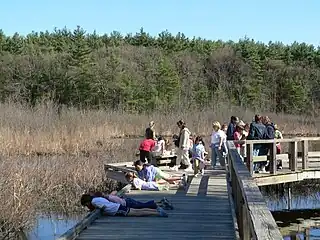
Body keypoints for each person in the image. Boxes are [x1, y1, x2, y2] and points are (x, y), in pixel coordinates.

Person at [80, 194, 169, 217]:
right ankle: (156, 211)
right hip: (117, 206)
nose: (87, 205)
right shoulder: (97, 198)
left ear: (87, 202)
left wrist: (98, 209)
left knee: (138, 213)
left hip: (116, 210)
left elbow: (103, 207)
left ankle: (157, 213)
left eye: (86, 204)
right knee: (138, 211)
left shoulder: (94, 202)